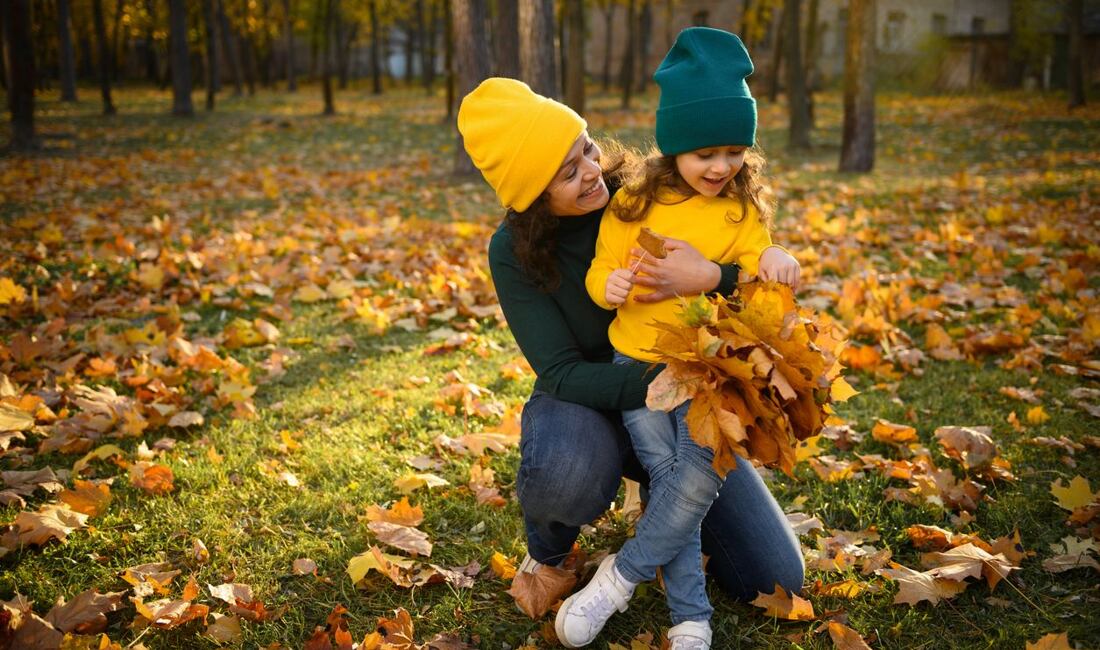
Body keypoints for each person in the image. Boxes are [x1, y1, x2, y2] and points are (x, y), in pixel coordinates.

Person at [457, 75, 803, 647]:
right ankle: (550, 556)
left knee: (775, 575)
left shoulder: (644, 192)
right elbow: (560, 372)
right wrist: (653, 382)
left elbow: (750, 274)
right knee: (563, 477)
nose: (592, 171)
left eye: (586, 148)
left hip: (683, 380)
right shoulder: (513, 251)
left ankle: (642, 543)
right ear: (531, 197)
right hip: (587, 394)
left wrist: (716, 278)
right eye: (567, 173)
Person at [551, 28, 801, 649]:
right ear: (673, 148)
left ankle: (624, 579)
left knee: (690, 479)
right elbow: (598, 270)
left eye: (734, 151)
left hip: (706, 373)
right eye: (704, 154)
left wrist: (774, 258)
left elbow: (754, 268)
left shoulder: (740, 211)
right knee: (678, 485)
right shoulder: (634, 202)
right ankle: (691, 619)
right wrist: (607, 287)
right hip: (636, 363)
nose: (721, 167)